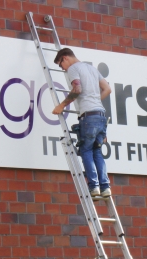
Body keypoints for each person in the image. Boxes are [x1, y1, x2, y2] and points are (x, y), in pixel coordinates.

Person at [52, 48, 112, 197]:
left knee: (86, 150)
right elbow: (107, 89)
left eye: (61, 65)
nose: (63, 69)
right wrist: (95, 100)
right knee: (97, 151)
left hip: (88, 117)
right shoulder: (92, 68)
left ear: (65, 58)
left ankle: (94, 187)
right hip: (101, 116)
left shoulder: (73, 68)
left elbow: (77, 89)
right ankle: (105, 187)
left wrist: (61, 105)